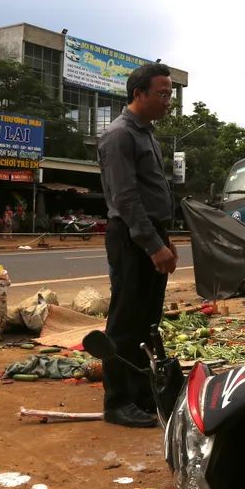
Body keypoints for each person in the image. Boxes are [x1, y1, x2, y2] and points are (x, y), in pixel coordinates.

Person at [97, 61, 176, 428]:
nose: (167, 100)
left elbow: (155, 193)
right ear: (138, 93)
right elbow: (126, 198)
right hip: (131, 237)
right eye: (162, 93)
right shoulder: (120, 135)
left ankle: (144, 392)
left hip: (151, 234)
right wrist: (152, 244)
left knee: (148, 321)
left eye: (170, 94)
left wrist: (167, 241)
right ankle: (117, 402)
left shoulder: (147, 134)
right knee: (126, 320)